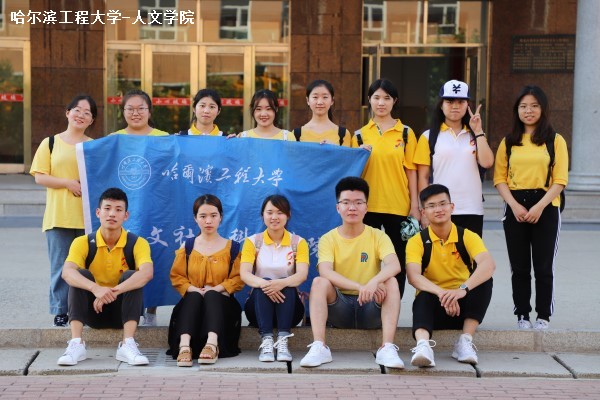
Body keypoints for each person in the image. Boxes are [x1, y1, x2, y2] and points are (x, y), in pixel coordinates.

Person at [299, 177, 404, 369]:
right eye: (346, 202)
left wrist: (374, 282)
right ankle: (319, 346)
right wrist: (360, 286)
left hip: (371, 307)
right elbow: (325, 271)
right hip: (340, 308)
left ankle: (387, 348)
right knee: (319, 282)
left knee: (391, 282)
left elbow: (394, 265)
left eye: (358, 202)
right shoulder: (328, 239)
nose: (352, 208)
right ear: (338, 207)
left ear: (366, 207)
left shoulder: (378, 236)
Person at [493, 85, 568, 331]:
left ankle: (543, 316)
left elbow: (560, 180)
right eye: (523, 106)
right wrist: (514, 205)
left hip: (546, 204)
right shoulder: (509, 142)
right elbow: (499, 179)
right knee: (519, 267)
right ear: (517, 110)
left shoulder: (555, 140)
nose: (529, 110)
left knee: (544, 267)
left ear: (543, 109)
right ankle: (522, 315)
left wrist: (539, 207)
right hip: (514, 205)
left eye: (534, 106)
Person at [57, 188, 154, 366]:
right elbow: (67, 272)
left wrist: (111, 292)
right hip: (92, 312)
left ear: (126, 215)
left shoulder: (138, 243)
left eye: (118, 209)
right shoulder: (82, 242)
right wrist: (96, 289)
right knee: (80, 274)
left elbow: (147, 273)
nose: (112, 214)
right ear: (98, 212)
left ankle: (128, 344)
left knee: (133, 276)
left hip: (123, 313)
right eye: (107, 208)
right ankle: (76, 344)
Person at [406, 184, 495, 367]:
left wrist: (461, 290)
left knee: (484, 281)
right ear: (423, 212)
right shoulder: (417, 241)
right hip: (435, 307)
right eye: (431, 206)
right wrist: (443, 294)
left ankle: (465, 341)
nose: (438, 209)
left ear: (452, 207)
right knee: (423, 295)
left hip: (463, 308)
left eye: (442, 204)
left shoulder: (467, 236)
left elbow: (488, 265)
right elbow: (413, 277)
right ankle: (423, 346)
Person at [30, 94, 97, 327]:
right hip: (58, 216)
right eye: (77, 110)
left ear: (91, 120)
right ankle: (61, 310)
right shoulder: (50, 143)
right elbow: (40, 177)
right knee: (60, 266)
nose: (81, 115)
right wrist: (68, 183)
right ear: (67, 113)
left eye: (87, 113)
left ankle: (84, 309)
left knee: (87, 267)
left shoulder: (93, 146)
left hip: (88, 218)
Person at [352, 78, 419, 298]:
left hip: (398, 206)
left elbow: (411, 171)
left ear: (394, 101)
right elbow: (352, 173)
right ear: (369, 100)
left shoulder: (406, 133)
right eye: (376, 97)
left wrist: (415, 206)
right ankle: (367, 305)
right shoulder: (359, 135)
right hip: (367, 207)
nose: (381, 103)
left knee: (397, 262)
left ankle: (393, 304)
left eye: (387, 98)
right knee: (366, 260)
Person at [111, 89, 166, 325]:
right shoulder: (113, 140)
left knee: (154, 257)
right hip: (124, 209)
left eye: (141, 108)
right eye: (130, 109)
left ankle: (151, 311)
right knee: (124, 259)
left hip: (156, 209)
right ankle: (123, 308)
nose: (135, 113)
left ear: (149, 111)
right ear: (122, 112)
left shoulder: (164, 138)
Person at [168, 194, 244, 367]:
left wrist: (216, 289)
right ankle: (184, 346)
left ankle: (212, 344)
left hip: (223, 306)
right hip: (193, 306)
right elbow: (177, 277)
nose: (208, 221)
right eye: (203, 216)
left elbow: (238, 278)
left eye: (213, 215)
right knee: (193, 296)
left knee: (212, 295)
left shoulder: (232, 248)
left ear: (221, 217)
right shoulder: (187, 247)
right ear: (195, 218)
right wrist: (193, 289)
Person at [414, 80, 494, 236]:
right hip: (439, 210)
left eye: (461, 102)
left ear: (467, 105)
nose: (455, 106)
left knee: (469, 252)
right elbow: (422, 177)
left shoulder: (475, 135)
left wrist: (478, 131)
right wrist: (424, 210)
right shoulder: (428, 137)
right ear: (441, 105)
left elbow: (487, 162)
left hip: (472, 208)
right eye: (449, 101)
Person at [240, 195, 309, 362]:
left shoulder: (298, 243)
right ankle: (267, 341)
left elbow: (302, 275)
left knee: (288, 284)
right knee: (262, 283)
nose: (274, 217)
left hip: (291, 310)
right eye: (269, 212)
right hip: (258, 311)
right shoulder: (252, 242)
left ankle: (283, 341)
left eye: (280, 212)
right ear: (262, 215)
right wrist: (267, 285)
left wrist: (281, 283)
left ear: (288, 215)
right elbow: (245, 273)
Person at [292, 79, 351, 146]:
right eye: (315, 97)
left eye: (325, 97)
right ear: (307, 100)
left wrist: (334, 149)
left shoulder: (343, 134)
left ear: (332, 101)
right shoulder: (296, 134)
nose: (320, 102)